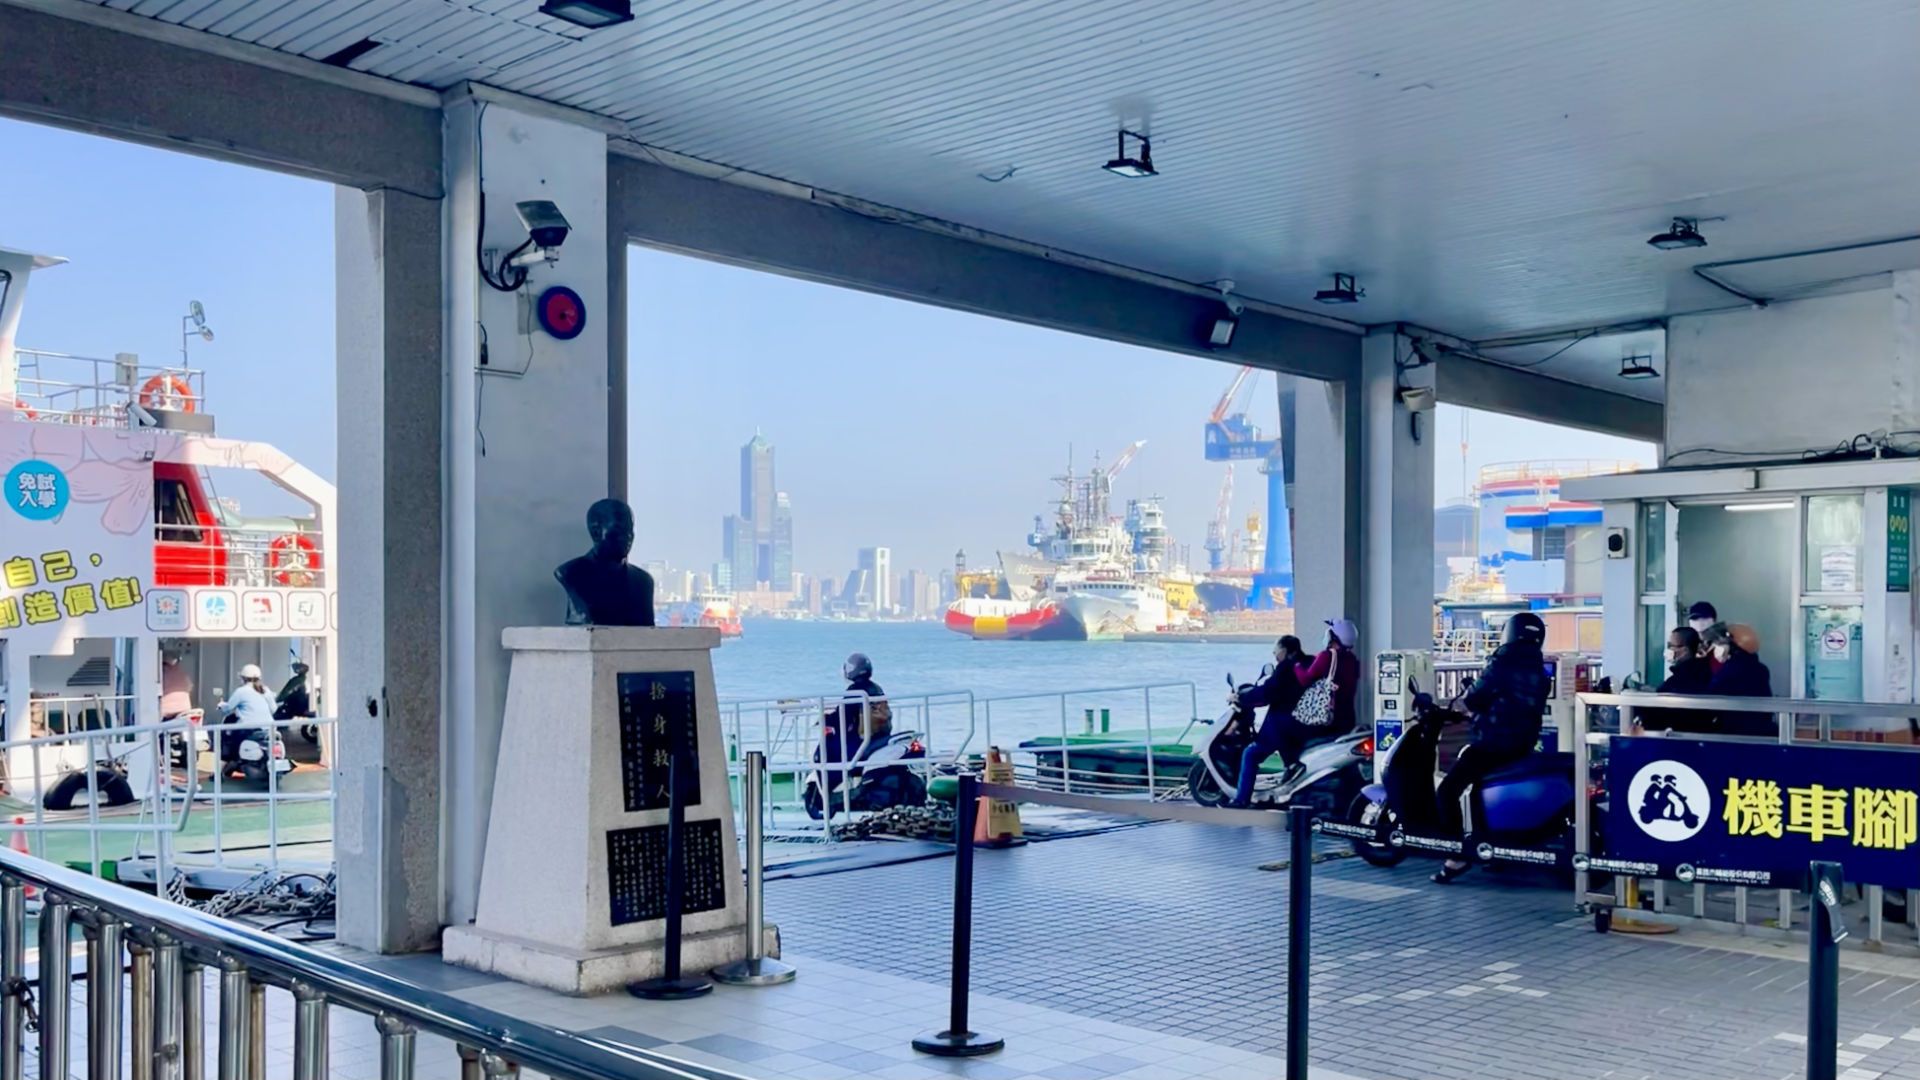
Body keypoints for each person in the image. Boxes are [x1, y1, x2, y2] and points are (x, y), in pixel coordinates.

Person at [1432, 611, 1552, 883]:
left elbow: (1475, 698)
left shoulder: (1502, 661)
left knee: (1448, 790)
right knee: (1479, 792)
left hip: (1494, 742)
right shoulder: (1539, 668)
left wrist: (1470, 700)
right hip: (1523, 744)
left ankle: (1456, 854)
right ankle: (1492, 852)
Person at [1225, 635, 1311, 807]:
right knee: (1287, 756)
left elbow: (1267, 692)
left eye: (1276, 650)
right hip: (1306, 725)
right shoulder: (1308, 663)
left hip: (1285, 724)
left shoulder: (1286, 668)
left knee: (1251, 754)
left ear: (1285, 650)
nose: (1274, 654)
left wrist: (1241, 697)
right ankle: (1289, 777)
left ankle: (1242, 799)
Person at [1703, 622, 1774, 736]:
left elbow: (1709, 700)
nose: (1715, 649)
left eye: (1718, 645)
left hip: (1735, 734)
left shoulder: (1730, 671)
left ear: (1732, 646)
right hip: (1761, 732)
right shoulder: (1760, 669)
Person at [1293, 618, 1361, 733]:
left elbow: (1305, 679)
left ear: (1333, 637)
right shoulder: (1352, 659)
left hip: (1327, 718)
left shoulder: (1326, 656)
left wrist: (1296, 665)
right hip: (1347, 717)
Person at [1639, 627, 1713, 733]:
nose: (1668, 649)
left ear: (1685, 650)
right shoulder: (1699, 671)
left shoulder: (1686, 677)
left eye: (1671, 646)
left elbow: (1663, 711)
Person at [215, 663, 275, 762]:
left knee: (234, 744)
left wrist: (221, 705)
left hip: (248, 728)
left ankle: (230, 763)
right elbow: (273, 709)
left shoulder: (241, 691)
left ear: (243, 678)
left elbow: (229, 708)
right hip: (269, 727)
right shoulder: (265, 690)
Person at [159, 652, 194, 720]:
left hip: (168, 713)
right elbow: (190, 687)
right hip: (185, 711)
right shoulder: (183, 674)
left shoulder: (162, 676)